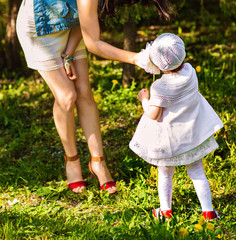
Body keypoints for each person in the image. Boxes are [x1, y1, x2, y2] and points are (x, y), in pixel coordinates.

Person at [16, 0, 173, 194]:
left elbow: (82, 21)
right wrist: (137, 58)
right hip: (40, 32)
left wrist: (68, 54)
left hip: (70, 31)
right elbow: (94, 44)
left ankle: (98, 162)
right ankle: (72, 160)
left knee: (84, 93)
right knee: (66, 95)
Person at [129, 33, 223, 220]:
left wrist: (144, 99)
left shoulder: (160, 87)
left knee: (165, 173)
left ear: (157, 65)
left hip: (169, 141)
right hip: (192, 135)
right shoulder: (190, 72)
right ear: (183, 56)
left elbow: (154, 115)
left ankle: (165, 211)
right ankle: (209, 212)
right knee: (197, 171)